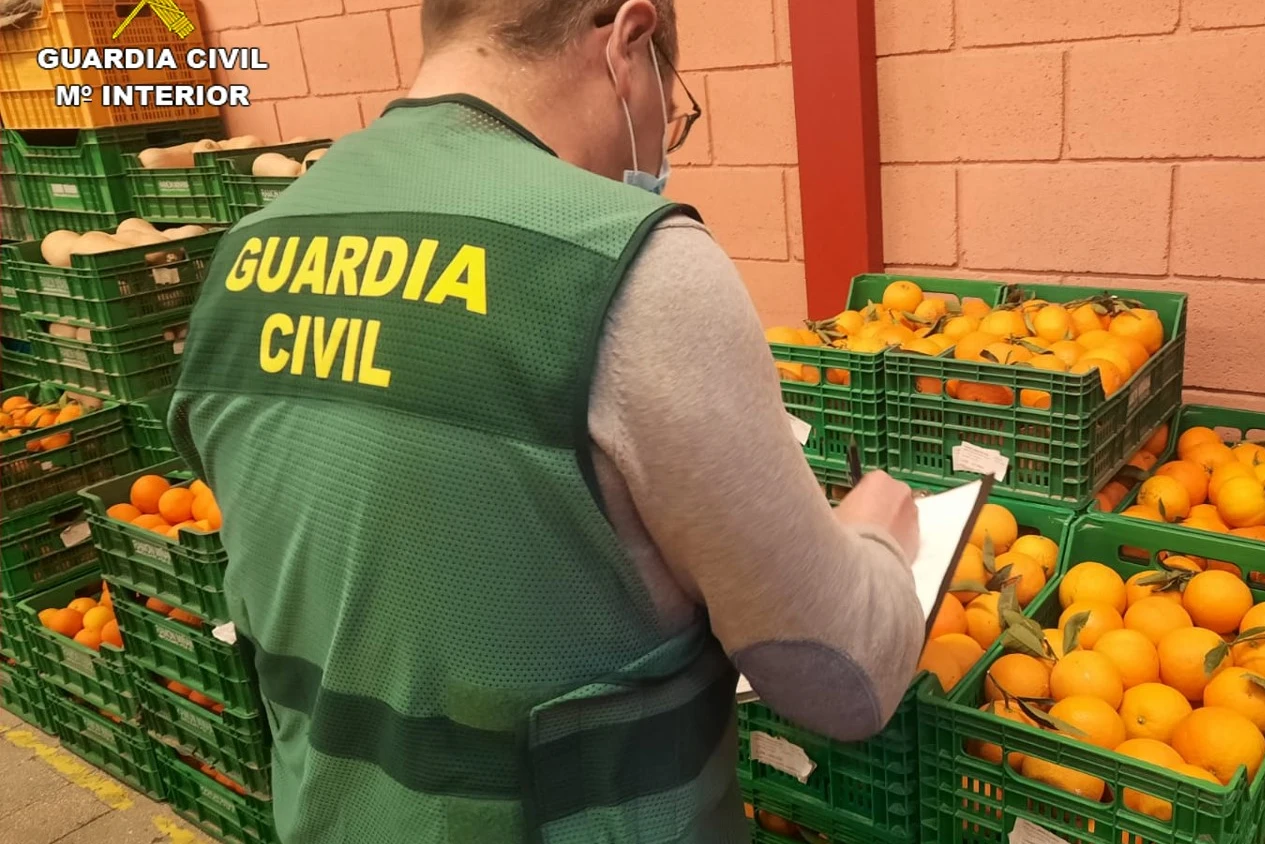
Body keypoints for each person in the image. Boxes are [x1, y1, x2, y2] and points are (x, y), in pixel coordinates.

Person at [167, 0, 925, 841]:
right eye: (668, 108)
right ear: (629, 40)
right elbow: (840, 680)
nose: (661, 144)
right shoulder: (630, 265)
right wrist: (882, 538)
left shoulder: (244, 258)